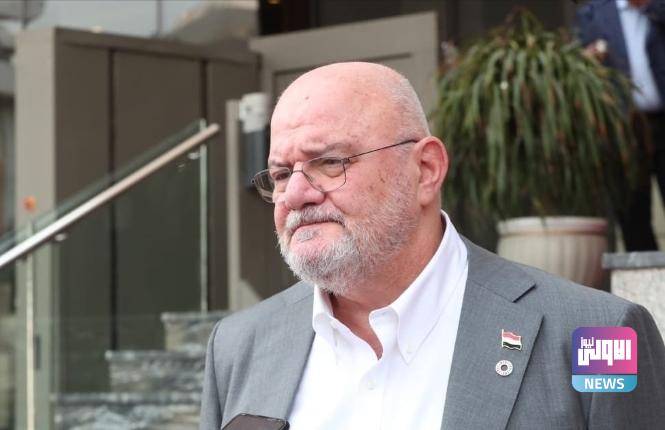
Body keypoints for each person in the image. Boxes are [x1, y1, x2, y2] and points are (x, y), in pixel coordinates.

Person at [200, 62, 665, 429]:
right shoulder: (238, 347)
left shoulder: (599, 335)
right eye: (282, 174)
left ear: (425, 170)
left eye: (330, 162)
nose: (297, 195)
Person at [577, 0, 665, 251]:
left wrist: (650, 7)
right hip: (623, 127)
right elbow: (577, 63)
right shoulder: (593, 14)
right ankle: (644, 271)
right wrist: (588, 58)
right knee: (632, 211)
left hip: (662, 119)